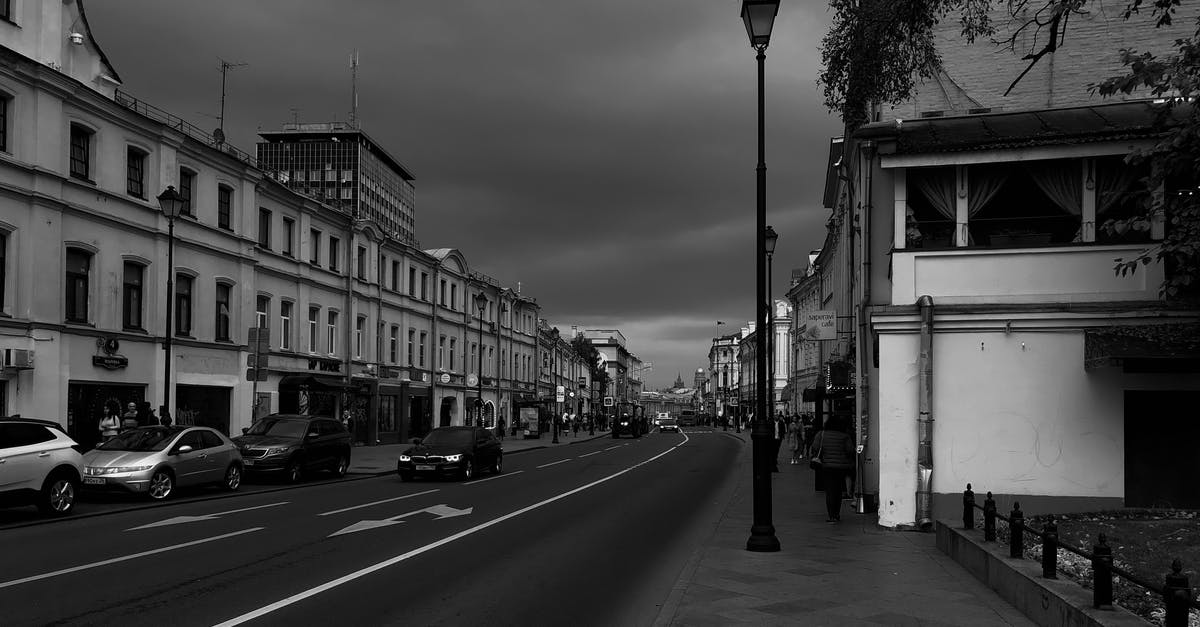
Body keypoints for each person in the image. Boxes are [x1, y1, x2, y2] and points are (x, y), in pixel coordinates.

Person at [811, 416, 856, 523]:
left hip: (826, 466)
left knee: (830, 491)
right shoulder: (845, 436)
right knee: (839, 490)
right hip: (841, 467)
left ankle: (832, 515)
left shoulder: (821, 434)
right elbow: (850, 450)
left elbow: (815, 448)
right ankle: (837, 514)